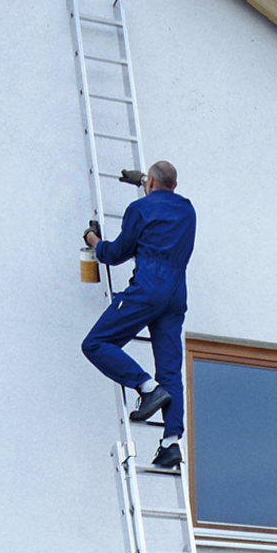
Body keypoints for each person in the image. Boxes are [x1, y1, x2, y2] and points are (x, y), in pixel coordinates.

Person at [80, 160, 194, 471]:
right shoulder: (187, 210)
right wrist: (142, 179)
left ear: (152, 184)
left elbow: (116, 254)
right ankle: (172, 444)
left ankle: (145, 387)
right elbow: (161, 188)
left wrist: (94, 242)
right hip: (175, 294)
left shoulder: (139, 209)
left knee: (96, 343)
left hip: (149, 287)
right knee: (170, 370)